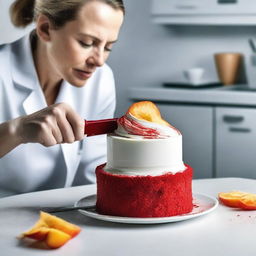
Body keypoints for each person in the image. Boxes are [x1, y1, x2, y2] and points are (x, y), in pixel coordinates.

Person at [0, 0, 125, 194]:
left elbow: (92, 174)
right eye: (87, 43)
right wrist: (17, 131)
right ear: (45, 29)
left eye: (108, 47)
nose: (99, 60)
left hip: (58, 215)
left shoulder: (101, 79)